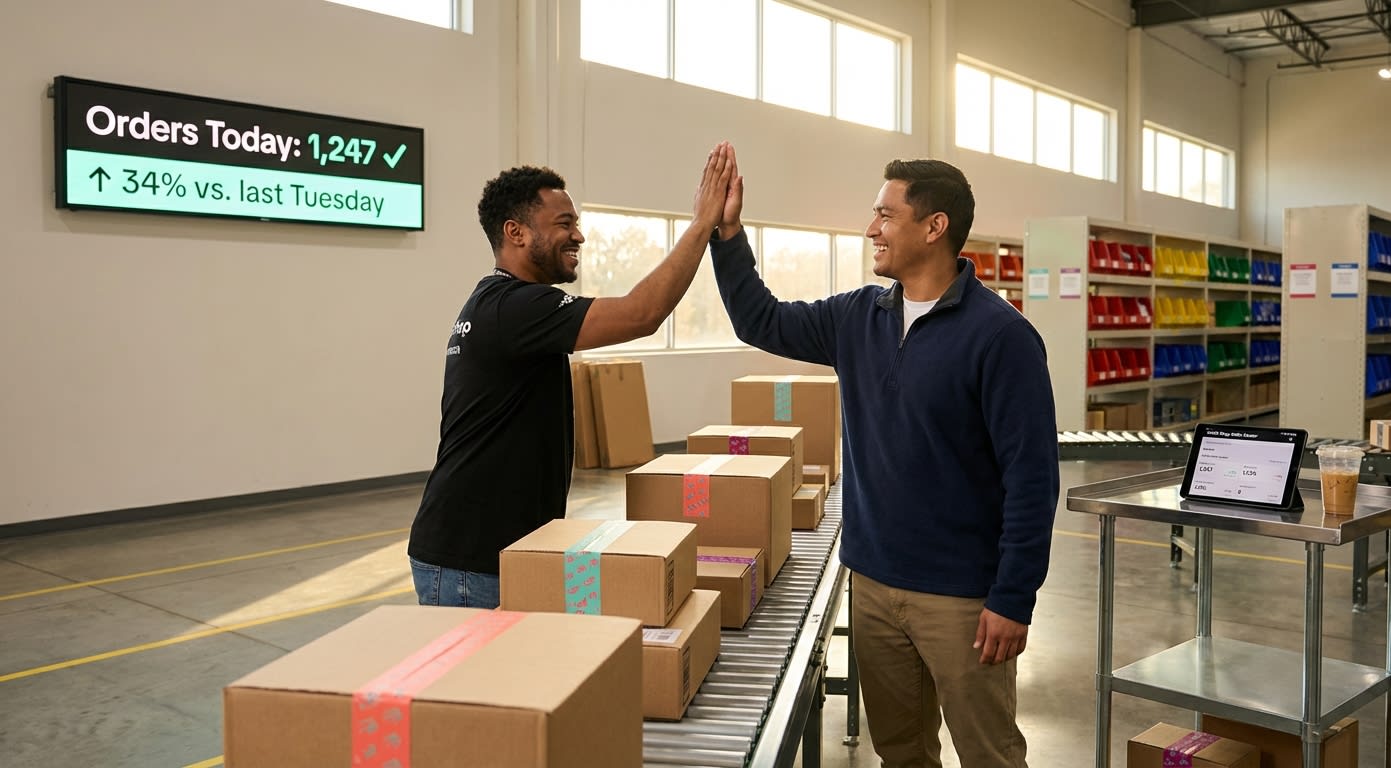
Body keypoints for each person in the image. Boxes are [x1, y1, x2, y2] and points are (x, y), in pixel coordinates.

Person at [709, 156, 1058, 767]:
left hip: (962, 600)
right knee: (900, 753)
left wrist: (1013, 597)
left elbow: (1032, 478)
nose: (872, 228)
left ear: (933, 226)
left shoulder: (1002, 337)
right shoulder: (856, 317)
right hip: (872, 583)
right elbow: (759, 320)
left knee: (989, 755)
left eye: (885, 214)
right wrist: (728, 235)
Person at [408, 142, 737, 609]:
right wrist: (703, 224)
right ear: (516, 232)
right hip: (471, 562)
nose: (578, 236)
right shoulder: (513, 307)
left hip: (485, 553)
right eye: (564, 224)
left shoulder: (503, 305)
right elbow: (640, 314)